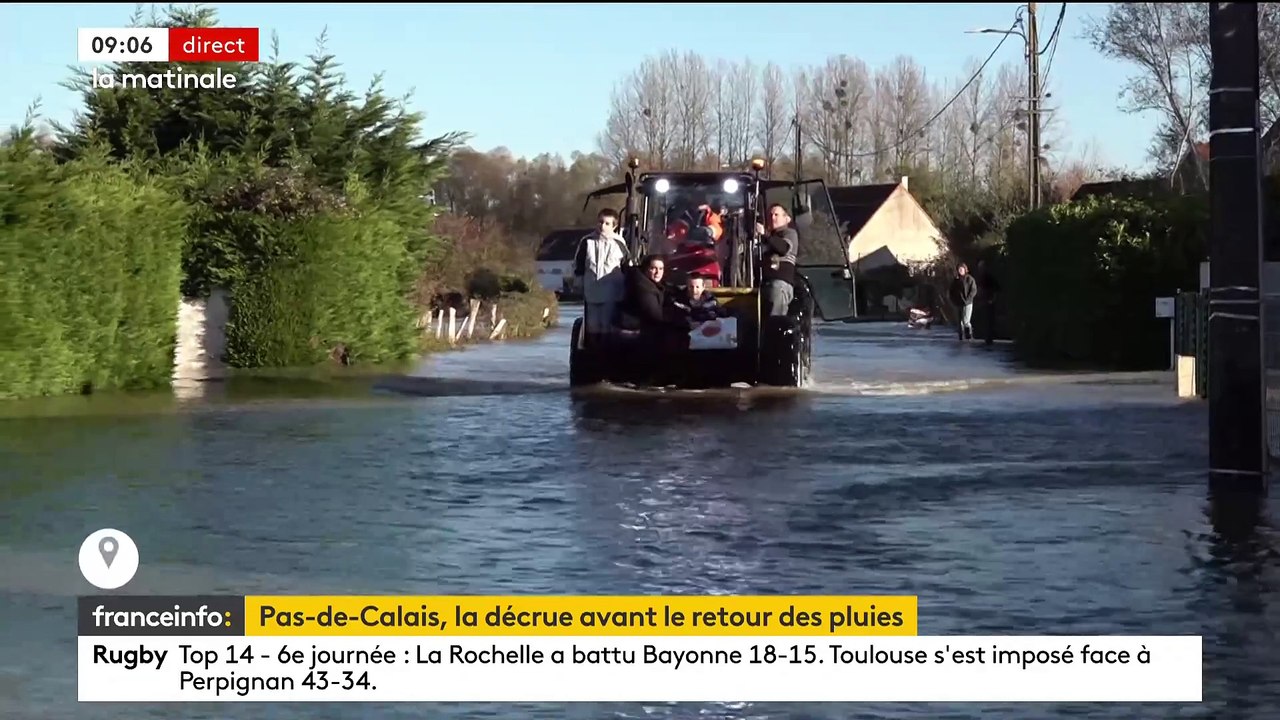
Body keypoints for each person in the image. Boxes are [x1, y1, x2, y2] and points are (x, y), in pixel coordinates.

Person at [573, 208, 629, 344]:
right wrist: (578, 284)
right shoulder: (587, 241)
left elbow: (627, 266)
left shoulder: (619, 243)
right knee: (592, 326)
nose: (602, 226)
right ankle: (591, 351)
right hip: (591, 290)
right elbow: (579, 265)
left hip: (612, 291)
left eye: (607, 223)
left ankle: (606, 351)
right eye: (600, 222)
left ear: (614, 226)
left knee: (607, 325)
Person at [755, 203, 798, 317]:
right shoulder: (765, 238)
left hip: (779, 284)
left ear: (787, 218)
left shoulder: (789, 233)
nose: (772, 217)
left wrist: (765, 234)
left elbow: (783, 248)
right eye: (770, 215)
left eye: (776, 215)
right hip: (764, 285)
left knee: (775, 320)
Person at [949, 263, 978, 341]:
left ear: (965, 269)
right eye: (959, 269)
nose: (960, 271)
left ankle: (969, 335)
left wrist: (968, 299)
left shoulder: (970, 279)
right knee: (959, 321)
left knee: (966, 320)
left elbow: (973, 290)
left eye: (962, 269)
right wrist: (953, 300)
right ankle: (961, 335)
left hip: (967, 303)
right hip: (958, 302)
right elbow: (951, 291)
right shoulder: (956, 280)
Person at [975, 259, 1000, 346]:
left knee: (989, 320)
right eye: (979, 267)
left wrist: (993, 299)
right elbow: (979, 289)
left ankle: (989, 337)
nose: (980, 269)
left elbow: (996, 288)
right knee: (985, 320)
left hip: (989, 301)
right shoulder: (980, 277)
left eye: (981, 267)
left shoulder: (989, 277)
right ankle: (986, 336)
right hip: (983, 301)